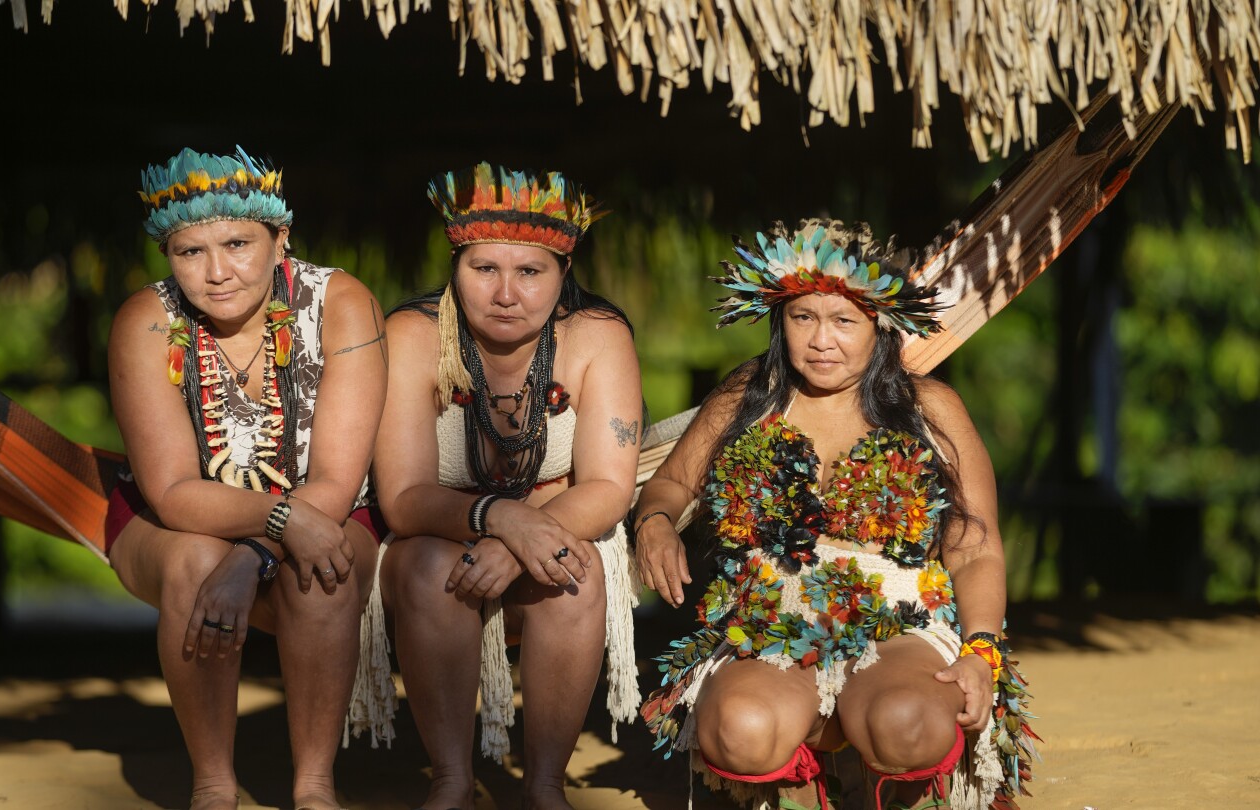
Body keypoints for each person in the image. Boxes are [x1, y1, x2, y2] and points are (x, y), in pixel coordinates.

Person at [633, 221, 1037, 810]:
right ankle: (805, 780)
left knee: (906, 722)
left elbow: (974, 546)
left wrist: (980, 652)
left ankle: (885, 775)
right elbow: (670, 482)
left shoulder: (930, 408)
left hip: (900, 627)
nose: (822, 340)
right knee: (739, 730)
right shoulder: (748, 395)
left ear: (879, 323)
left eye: (844, 321)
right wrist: (656, 524)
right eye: (803, 318)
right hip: (770, 624)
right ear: (779, 320)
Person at [105, 146, 388, 810]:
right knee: (195, 565)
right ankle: (212, 785)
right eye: (189, 252)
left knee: (322, 569)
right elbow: (172, 492)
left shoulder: (341, 303)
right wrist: (274, 523)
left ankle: (315, 787)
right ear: (166, 255)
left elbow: (337, 485)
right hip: (175, 523)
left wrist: (256, 554)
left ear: (280, 237)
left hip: (332, 509)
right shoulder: (146, 322)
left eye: (237, 243)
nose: (217, 272)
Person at [370, 162, 644, 810]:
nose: (505, 293)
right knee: (428, 567)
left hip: (552, 532)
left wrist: (522, 539)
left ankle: (545, 784)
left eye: (530, 272)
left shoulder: (598, 338)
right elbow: (404, 498)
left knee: (572, 573)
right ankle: (452, 780)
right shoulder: (410, 335)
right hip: (436, 543)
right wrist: (504, 519)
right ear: (455, 267)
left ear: (563, 274)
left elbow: (608, 483)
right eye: (484, 269)